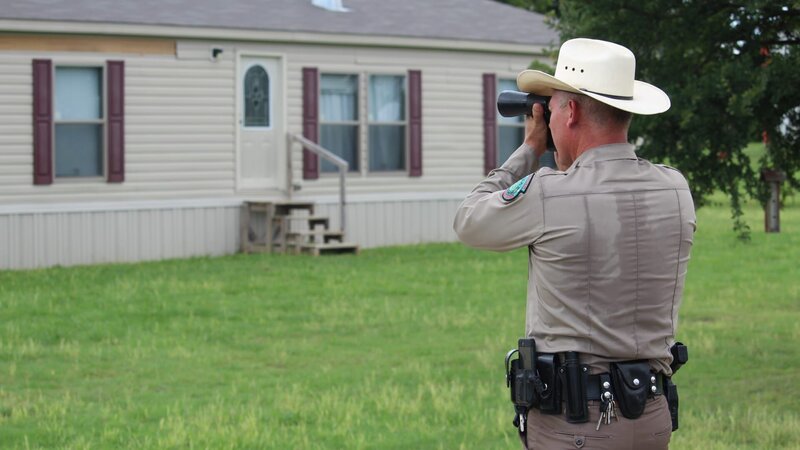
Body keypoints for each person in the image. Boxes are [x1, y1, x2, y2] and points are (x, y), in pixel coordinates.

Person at [453, 38, 696, 450]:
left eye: (550, 110)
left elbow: (469, 220)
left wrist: (529, 149)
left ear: (572, 112)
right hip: (652, 416)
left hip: (575, 424)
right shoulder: (675, 188)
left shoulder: (548, 193)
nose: (546, 121)